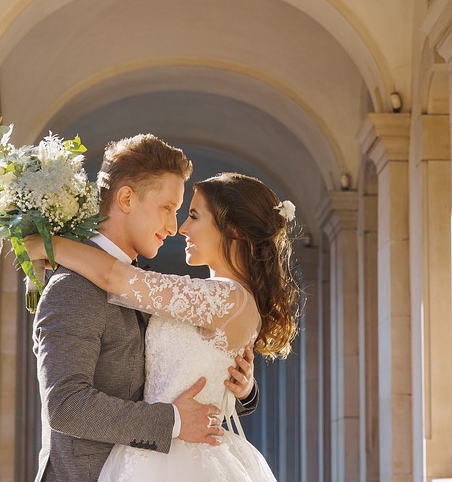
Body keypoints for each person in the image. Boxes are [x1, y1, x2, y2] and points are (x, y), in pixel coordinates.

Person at [29, 170, 301, 482]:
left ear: (234, 230)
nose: (181, 228)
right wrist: (245, 392)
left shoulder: (226, 298)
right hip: (152, 452)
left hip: (177, 459)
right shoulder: (215, 299)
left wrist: (50, 245)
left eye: (194, 216)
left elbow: (116, 278)